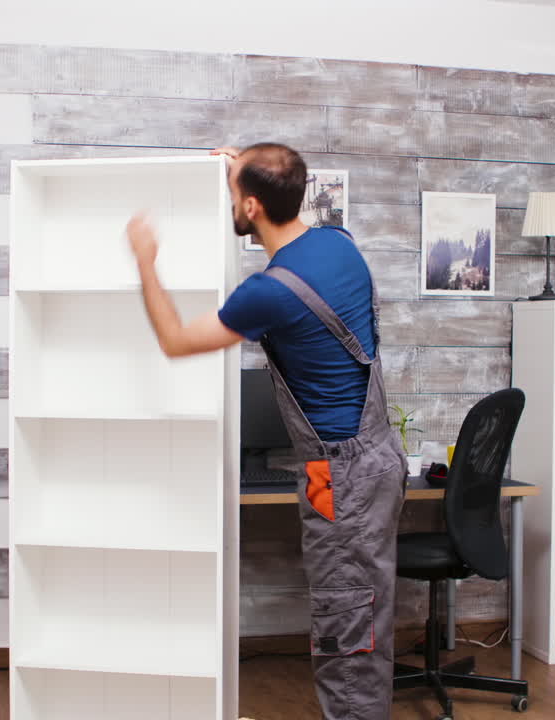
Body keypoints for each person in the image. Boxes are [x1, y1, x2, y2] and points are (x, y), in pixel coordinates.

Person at [126, 142, 406, 720]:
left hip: (339, 476)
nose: (230, 201)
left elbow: (176, 341)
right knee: (364, 610)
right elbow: (276, 196)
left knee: (345, 617)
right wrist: (243, 170)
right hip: (378, 456)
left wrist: (145, 262)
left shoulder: (269, 293)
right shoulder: (340, 244)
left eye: (234, 194)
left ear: (251, 206)